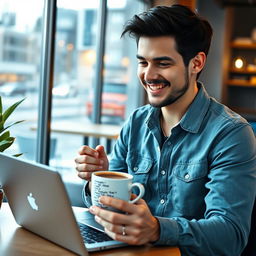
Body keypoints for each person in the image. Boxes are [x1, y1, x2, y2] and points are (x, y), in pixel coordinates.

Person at [75, 4, 256, 256]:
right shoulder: (136, 122)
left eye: (162, 63)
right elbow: (112, 211)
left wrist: (158, 229)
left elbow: (230, 236)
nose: (149, 75)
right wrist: (100, 179)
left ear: (196, 63)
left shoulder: (231, 134)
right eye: (143, 62)